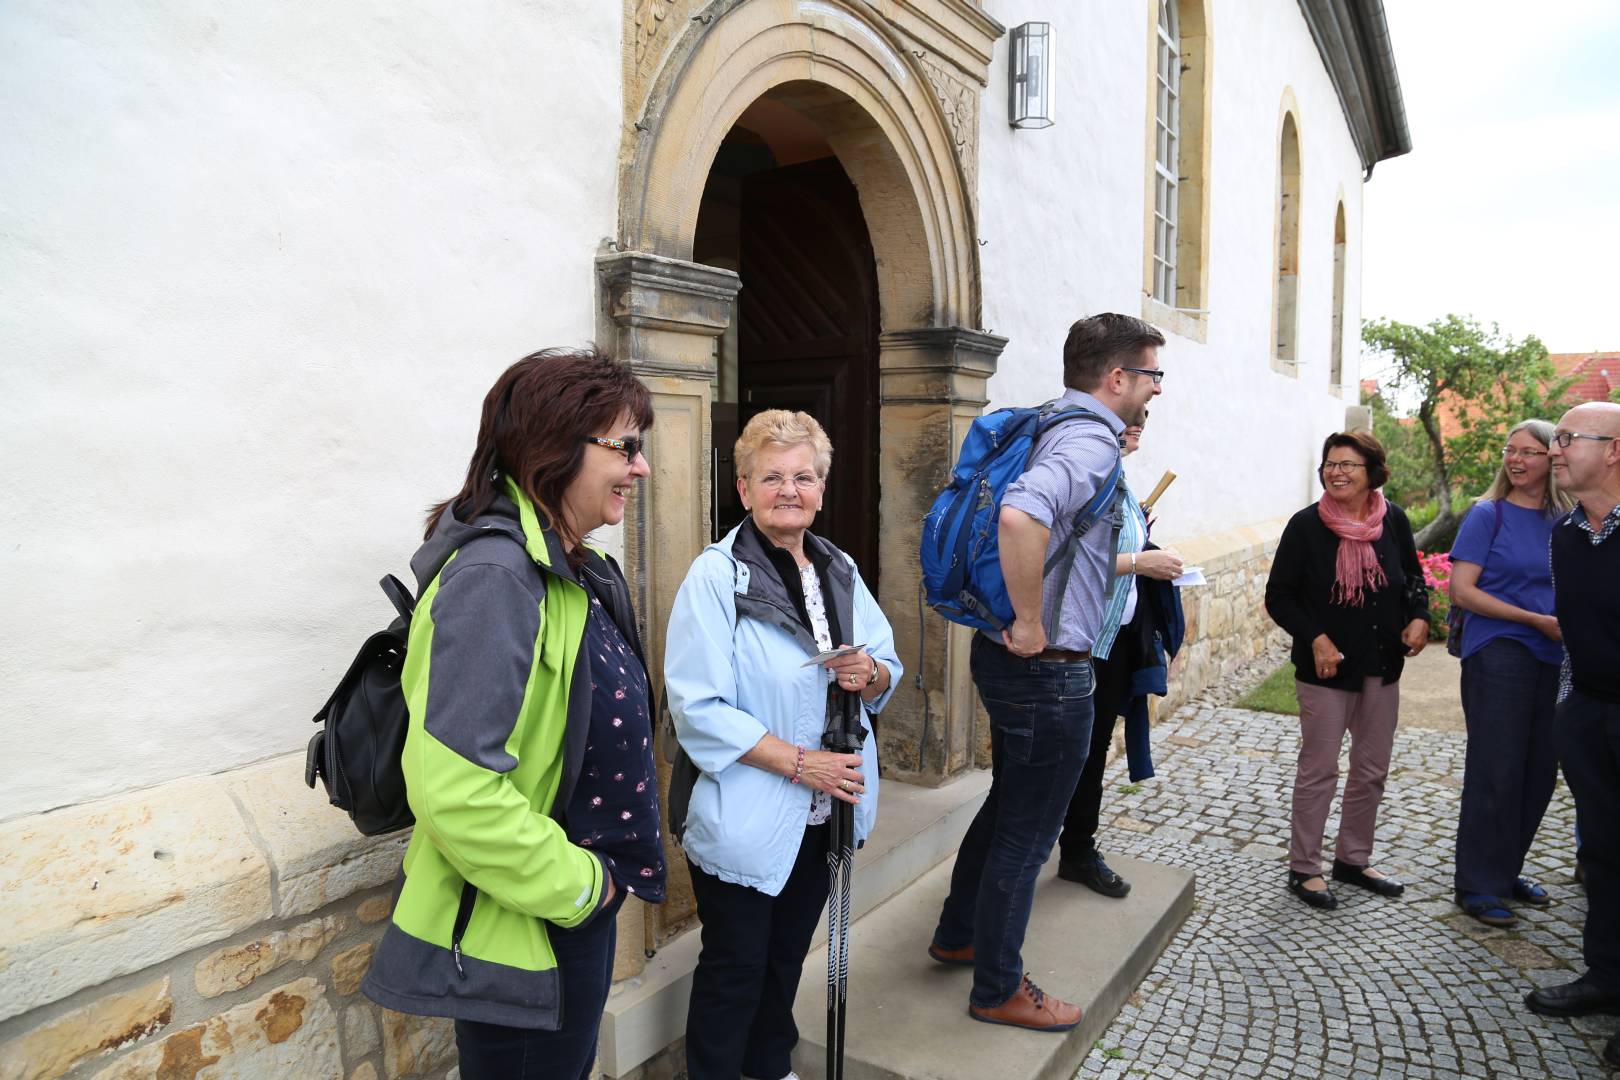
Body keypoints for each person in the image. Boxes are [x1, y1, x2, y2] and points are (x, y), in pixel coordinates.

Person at [361, 348, 665, 1080]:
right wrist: (586, 889)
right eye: (625, 446)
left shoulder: (570, 566)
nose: (642, 467)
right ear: (554, 448)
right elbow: (456, 793)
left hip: (559, 910)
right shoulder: (496, 580)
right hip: (531, 919)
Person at [928, 313, 1165, 1032]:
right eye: (1153, 375)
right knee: (1027, 837)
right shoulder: (1089, 439)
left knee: (1008, 806)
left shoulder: (1050, 422)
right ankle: (998, 988)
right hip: (1046, 670)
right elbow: (1020, 515)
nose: (1158, 389)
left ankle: (959, 934)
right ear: (1117, 377)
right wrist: (1031, 620)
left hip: (1006, 659)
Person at [664, 409, 902, 1080]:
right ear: (743, 489)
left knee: (785, 957)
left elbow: (886, 661)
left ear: (821, 487)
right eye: (771, 477)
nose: (789, 490)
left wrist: (870, 672)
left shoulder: (839, 567)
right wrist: (802, 765)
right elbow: (697, 707)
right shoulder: (716, 577)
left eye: (803, 476)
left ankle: (769, 1066)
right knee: (735, 966)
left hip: (826, 811)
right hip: (747, 809)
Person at [1264, 431, 1428, 911]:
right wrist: (1316, 638)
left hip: (1382, 663)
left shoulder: (1393, 519)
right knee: (1319, 770)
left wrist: (1419, 616)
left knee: (1372, 769)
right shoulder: (1306, 526)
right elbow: (1279, 596)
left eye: (1347, 465)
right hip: (1327, 669)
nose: (1336, 473)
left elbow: (1413, 577)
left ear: (1372, 472)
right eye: (1330, 465)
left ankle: (1353, 860)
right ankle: (1304, 868)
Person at [1448, 419, 1574, 926]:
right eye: (1510, 450)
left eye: (1528, 452)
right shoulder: (1488, 514)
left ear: (1552, 459)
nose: (1516, 460)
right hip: (1499, 649)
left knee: (1539, 771)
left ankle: (1505, 870)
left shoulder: (1568, 520)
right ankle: (1478, 885)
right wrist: (1533, 620)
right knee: (1496, 768)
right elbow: (1462, 591)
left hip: (1556, 655)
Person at [1525, 401, 1620, 1072]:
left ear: (1614, 450)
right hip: (1588, 713)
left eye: (1567, 438)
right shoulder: (1565, 534)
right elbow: (1574, 630)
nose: (1553, 449)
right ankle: (1607, 976)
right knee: (1605, 855)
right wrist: (1571, 711)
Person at [1055, 414, 1185, 897]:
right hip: (1074, 643)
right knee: (1059, 755)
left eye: (1144, 417)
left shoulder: (1119, 478)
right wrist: (1140, 561)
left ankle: (1077, 850)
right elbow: (1059, 559)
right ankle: (1021, 855)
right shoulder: (1081, 475)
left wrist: (1141, 544)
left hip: (1112, 641)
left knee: (1093, 750)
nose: (1140, 422)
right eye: (1131, 415)